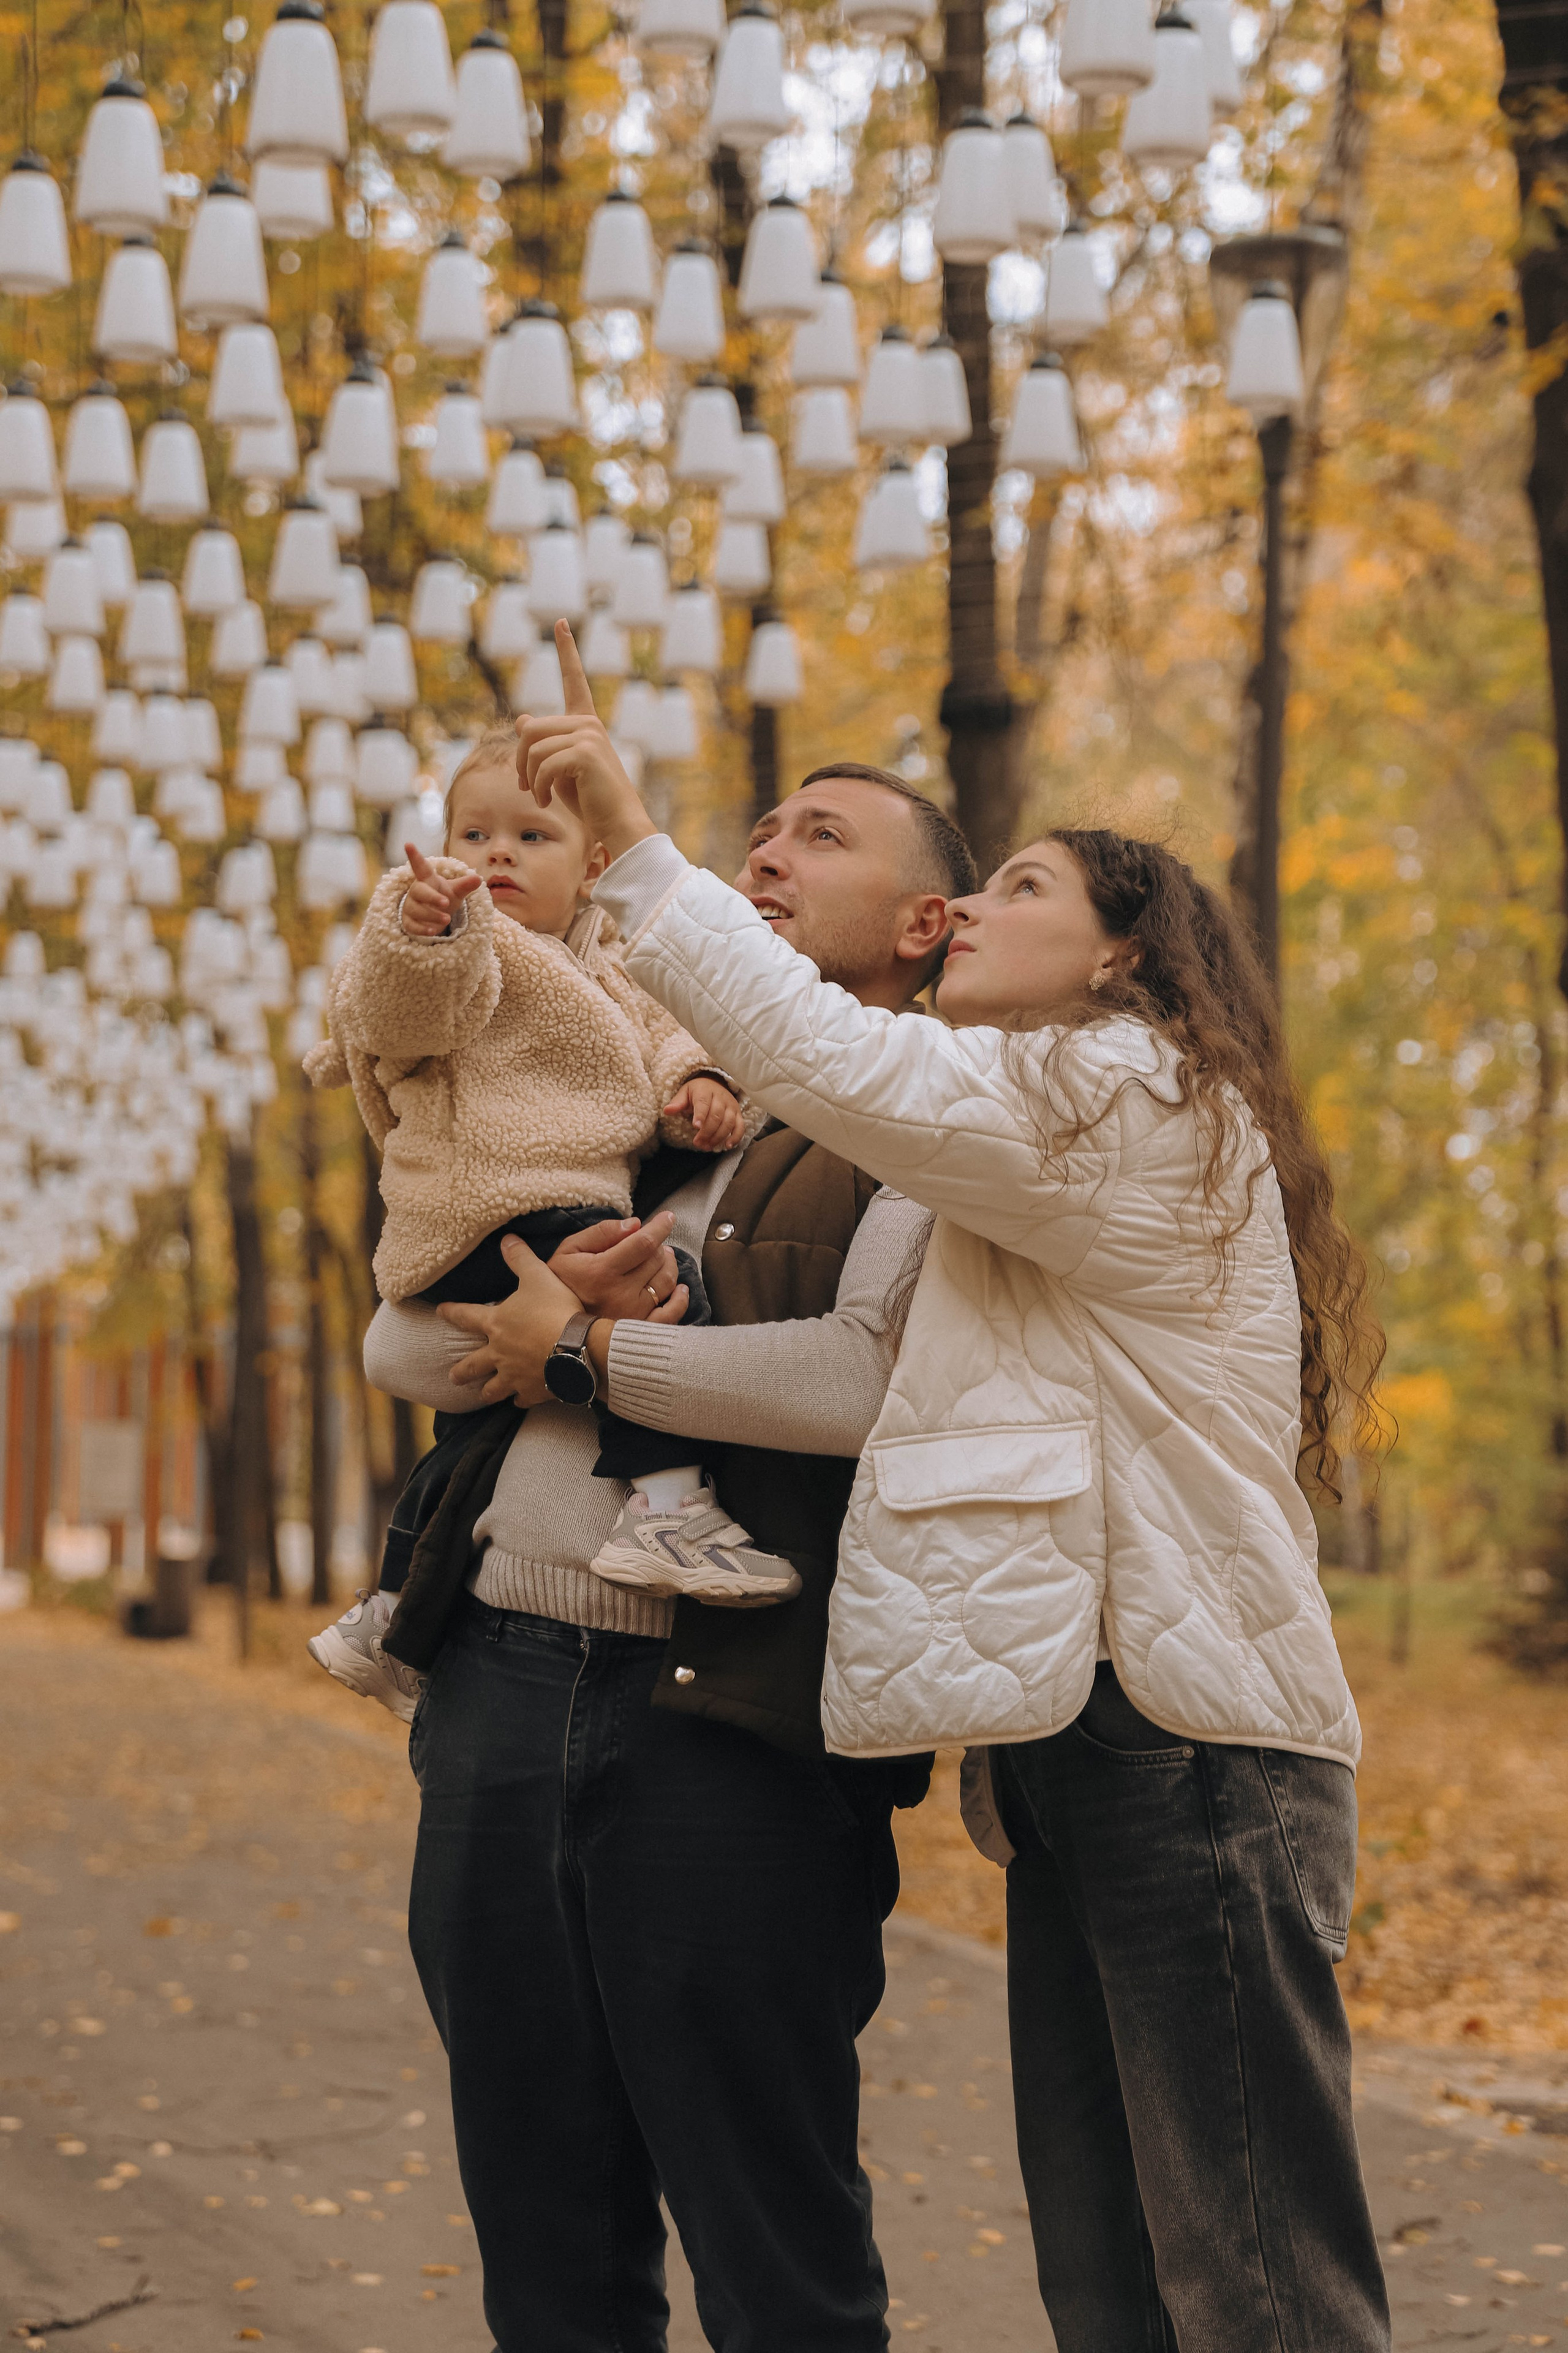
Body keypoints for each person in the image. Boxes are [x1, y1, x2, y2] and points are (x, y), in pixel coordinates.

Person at [496, 619, 1392, 2353]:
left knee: (1256, 2291)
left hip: (1194, 1752)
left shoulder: (1130, 1091)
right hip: (1091, 1736)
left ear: (1124, 955)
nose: (971, 909)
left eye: (1021, 887)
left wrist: (628, 849)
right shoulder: (1027, 1132)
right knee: (1114, 2280)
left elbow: (840, 1067)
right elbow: (839, 1105)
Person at [362, 754, 978, 2353]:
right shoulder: (631, 1096)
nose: (766, 855)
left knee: (774, 2250)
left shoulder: (941, 1116)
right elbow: (402, 1344)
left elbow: (860, 1385)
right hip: (497, 1680)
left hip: (733, 1723)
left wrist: (579, 1353)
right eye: (760, 830)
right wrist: (551, 1313)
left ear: (926, 923)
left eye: (820, 838)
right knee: (544, 2232)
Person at [303, 729, 794, 1726]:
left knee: (474, 1425)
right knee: (664, 1290)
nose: (497, 853)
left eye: (532, 835)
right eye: (473, 833)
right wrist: (425, 932)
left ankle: (393, 1604)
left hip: (546, 1206)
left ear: (594, 866)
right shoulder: (462, 942)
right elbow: (400, 1014)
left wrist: (700, 1080)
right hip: (484, 1203)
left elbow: (666, 1035)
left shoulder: (616, 964)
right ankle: (668, 1504)